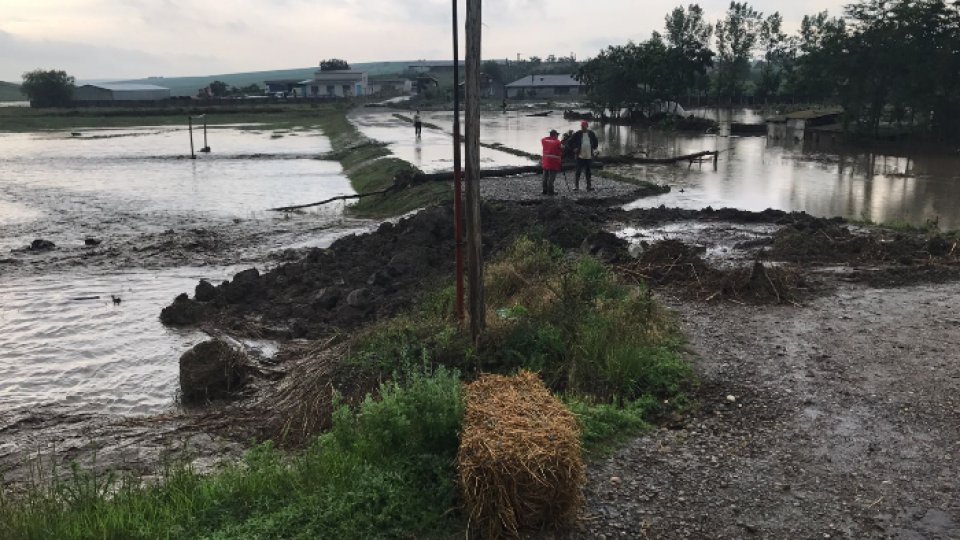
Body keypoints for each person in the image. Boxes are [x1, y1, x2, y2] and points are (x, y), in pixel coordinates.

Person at [565, 120, 598, 191]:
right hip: (580, 156)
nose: (582, 128)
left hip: (589, 156)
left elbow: (596, 142)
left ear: (587, 126)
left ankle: (589, 186)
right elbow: (569, 142)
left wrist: (594, 149)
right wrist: (574, 148)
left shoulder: (591, 133)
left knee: (588, 172)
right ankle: (576, 186)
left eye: (584, 126)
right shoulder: (578, 133)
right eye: (581, 126)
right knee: (578, 171)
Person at [540, 129, 563, 196]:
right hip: (554, 163)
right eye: (557, 135)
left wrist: (550, 137)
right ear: (555, 135)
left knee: (545, 177)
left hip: (545, 162)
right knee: (551, 178)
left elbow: (543, 138)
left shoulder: (544, 141)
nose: (558, 136)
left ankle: (544, 190)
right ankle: (550, 191)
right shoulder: (558, 142)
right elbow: (562, 148)